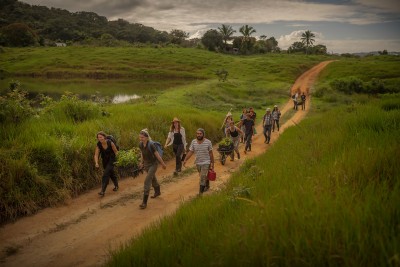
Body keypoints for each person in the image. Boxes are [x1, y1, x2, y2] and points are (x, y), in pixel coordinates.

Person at [138, 129, 167, 209]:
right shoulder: (140, 144)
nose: (141, 139)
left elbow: (157, 155)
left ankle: (144, 202)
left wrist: (163, 163)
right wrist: (141, 163)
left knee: (147, 180)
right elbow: (142, 153)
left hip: (153, 164)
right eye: (140, 137)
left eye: (142, 137)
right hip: (146, 165)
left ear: (147, 137)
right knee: (152, 178)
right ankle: (158, 192)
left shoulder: (151, 145)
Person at [183, 128, 214, 195]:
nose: (199, 135)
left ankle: (200, 194)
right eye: (197, 134)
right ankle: (207, 185)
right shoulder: (193, 142)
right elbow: (191, 152)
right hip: (198, 162)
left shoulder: (208, 142)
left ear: (203, 134)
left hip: (206, 162)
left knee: (202, 176)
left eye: (200, 134)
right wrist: (185, 160)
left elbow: (211, 153)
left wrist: (212, 163)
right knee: (203, 175)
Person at [94, 131, 119, 196]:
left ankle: (102, 191)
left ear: (104, 137)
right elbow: (96, 155)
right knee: (111, 173)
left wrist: (118, 160)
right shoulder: (99, 144)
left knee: (105, 174)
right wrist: (96, 163)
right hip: (105, 160)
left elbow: (116, 152)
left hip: (112, 159)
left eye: (101, 137)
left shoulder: (110, 143)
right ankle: (116, 185)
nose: (100, 138)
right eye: (98, 137)